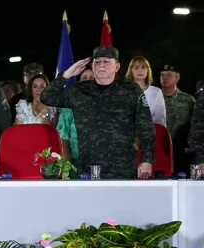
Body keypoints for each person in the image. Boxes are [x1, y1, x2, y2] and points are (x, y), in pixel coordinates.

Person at [41, 46, 155, 179]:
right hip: (88, 165)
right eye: (97, 62)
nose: (101, 65)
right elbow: (46, 97)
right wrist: (67, 74)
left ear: (116, 67)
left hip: (122, 166)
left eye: (106, 61)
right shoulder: (79, 90)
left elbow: (146, 126)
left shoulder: (131, 90)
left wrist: (147, 159)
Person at [125, 56, 166, 125]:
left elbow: (160, 120)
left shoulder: (156, 92)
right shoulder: (123, 90)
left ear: (148, 70)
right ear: (131, 71)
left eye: (143, 67)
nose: (140, 70)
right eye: (136, 67)